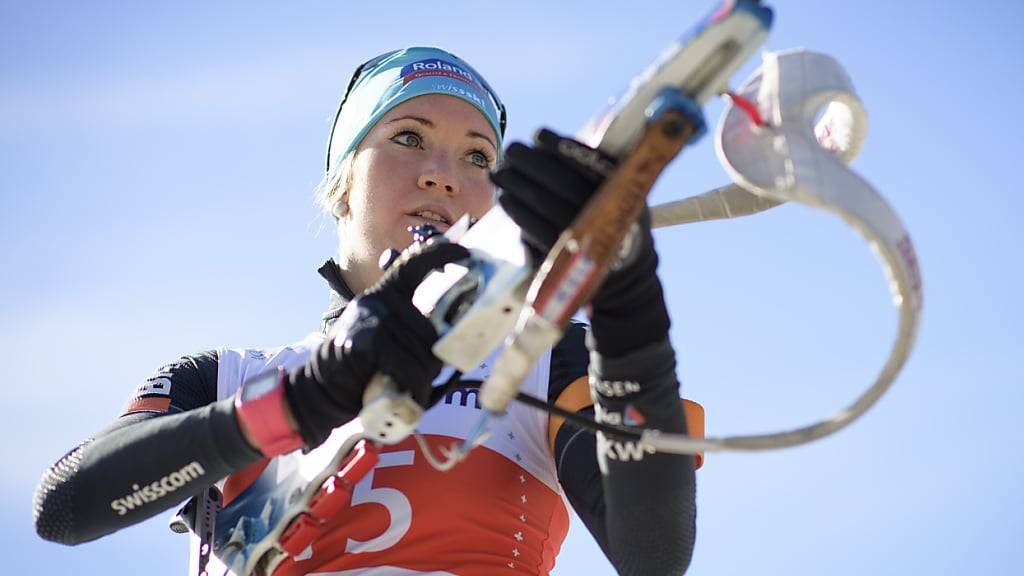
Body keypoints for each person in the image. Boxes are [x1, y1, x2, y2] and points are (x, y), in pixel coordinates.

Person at [33, 46, 700, 576]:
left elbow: (653, 557)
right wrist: (304, 401)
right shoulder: (226, 379)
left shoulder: (545, 361)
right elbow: (65, 508)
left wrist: (628, 302)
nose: (443, 173)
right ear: (342, 185)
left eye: (478, 156)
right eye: (408, 137)